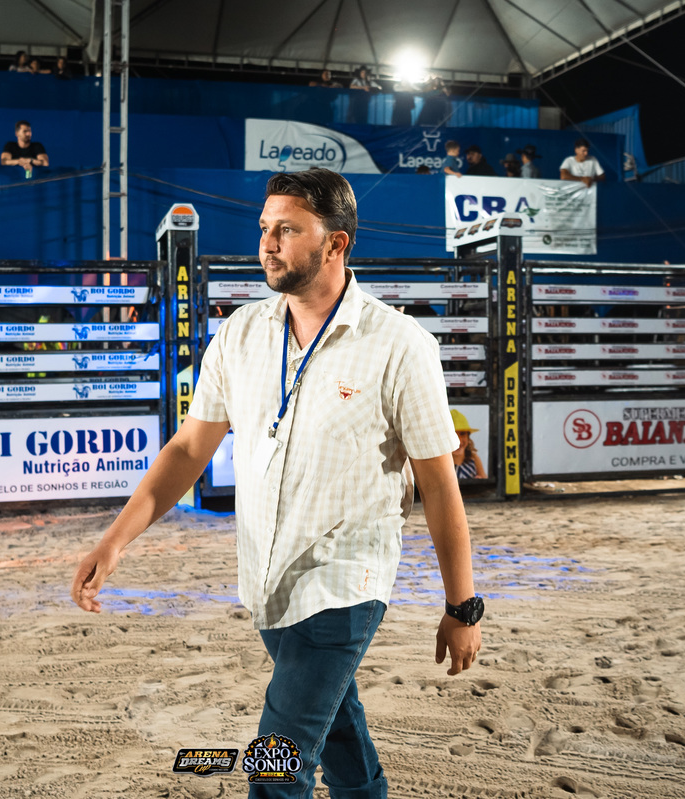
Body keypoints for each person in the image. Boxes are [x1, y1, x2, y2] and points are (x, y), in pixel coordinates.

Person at [71, 167, 483, 799]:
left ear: (337, 243)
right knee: (337, 730)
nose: (267, 244)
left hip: (345, 582)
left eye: (287, 230)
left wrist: (461, 607)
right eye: (265, 228)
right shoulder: (240, 333)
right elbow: (188, 449)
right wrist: (115, 540)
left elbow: (439, 484)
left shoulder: (401, 345)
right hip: (264, 578)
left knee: (277, 763)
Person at [451, 410, 486, 480]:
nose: (458, 441)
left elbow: (485, 481)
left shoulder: (474, 458)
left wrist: (480, 481)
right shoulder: (440, 463)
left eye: (462, 434)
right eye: (452, 434)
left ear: (468, 436)